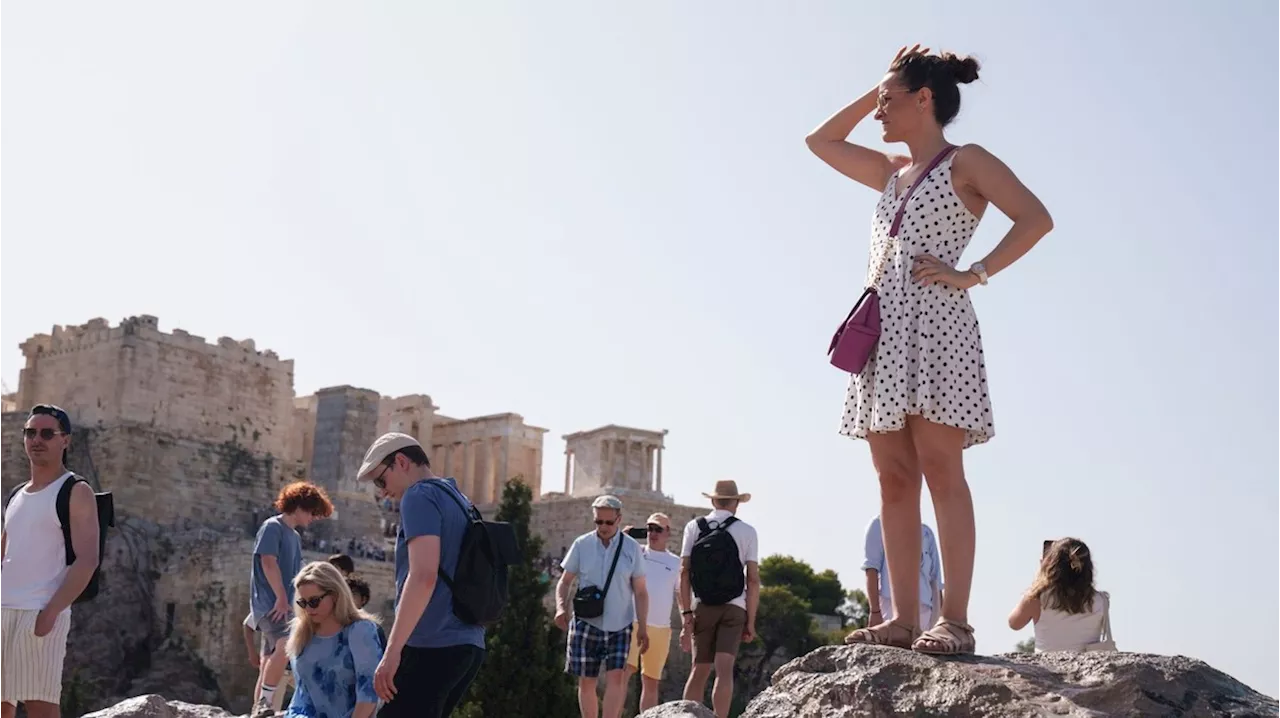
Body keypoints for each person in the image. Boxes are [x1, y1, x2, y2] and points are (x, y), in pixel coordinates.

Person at [807, 45, 1054, 654]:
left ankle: (956, 621)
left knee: (943, 471)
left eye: (890, 101)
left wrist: (976, 273)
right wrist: (879, 86)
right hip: (882, 334)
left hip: (938, 328)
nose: (878, 112)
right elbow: (820, 141)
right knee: (892, 479)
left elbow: (1035, 217)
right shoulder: (890, 169)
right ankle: (900, 619)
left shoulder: (966, 160)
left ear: (925, 100)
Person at [355, 432, 485, 718]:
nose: (382, 492)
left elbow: (423, 575)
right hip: (468, 643)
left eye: (380, 480)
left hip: (431, 644)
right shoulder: (458, 498)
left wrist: (392, 651)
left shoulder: (419, 495)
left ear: (400, 461)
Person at [0, 404, 101, 718]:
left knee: (40, 706)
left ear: (65, 441)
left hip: (40, 612)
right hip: (3, 609)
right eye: (30, 432)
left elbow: (88, 559)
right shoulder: (17, 494)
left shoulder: (75, 490)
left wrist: (52, 611)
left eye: (47, 433)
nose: (36, 439)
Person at [554, 495, 649, 718]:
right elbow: (565, 581)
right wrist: (560, 607)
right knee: (587, 681)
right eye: (599, 522)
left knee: (616, 678)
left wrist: (643, 627)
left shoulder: (632, 548)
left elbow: (641, 591)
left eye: (609, 522)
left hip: (620, 623)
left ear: (619, 519)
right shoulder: (582, 544)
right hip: (586, 622)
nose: (603, 527)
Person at [249, 482, 334, 717]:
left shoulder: (294, 536)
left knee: (269, 659)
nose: (314, 518)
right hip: (273, 603)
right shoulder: (272, 527)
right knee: (286, 645)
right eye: (313, 512)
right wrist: (280, 598)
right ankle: (265, 702)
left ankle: (259, 707)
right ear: (299, 506)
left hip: (282, 604)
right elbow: (268, 562)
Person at [677, 481, 759, 718]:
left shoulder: (694, 527)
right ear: (736, 503)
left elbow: (684, 571)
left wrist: (686, 614)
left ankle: (687, 716)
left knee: (699, 668)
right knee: (724, 670)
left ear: (713, 501)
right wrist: (750, 622)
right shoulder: (747, 531)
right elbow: (752, 580)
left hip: (702, 604)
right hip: (734, 607)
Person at [282, 561, 383, 718]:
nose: (308, 609)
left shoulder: (360, 630)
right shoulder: (300, 630)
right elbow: (302, 692)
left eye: (314, 601)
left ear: (335, 595)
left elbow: (369, 692)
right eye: (303, 602)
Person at [1008, 538, 1111, 651]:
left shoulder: (1037, 598)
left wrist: (1041, 577)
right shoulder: (1101, 600)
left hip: (1047, 666)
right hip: (1089, 666)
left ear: (1051, 565)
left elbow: (1014, 623)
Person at [623, 513, 681, 713]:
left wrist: (686, 625)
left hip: (660, 627)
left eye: (658, 529)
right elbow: (611, 553)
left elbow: (681, 595)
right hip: (632, 621)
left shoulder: (676, 562)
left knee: (651, 681)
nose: (653, 534)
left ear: (668, 533)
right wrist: (622, 537)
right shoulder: (635, 552)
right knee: (623, 673)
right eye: (649, 529)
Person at [856, 515, 943, 631]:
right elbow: (871, 569)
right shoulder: (878, 524)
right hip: (889, 607)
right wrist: (875, 611)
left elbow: (936, 581)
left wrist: (939, 623)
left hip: (924, 611)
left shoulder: (926, 532)